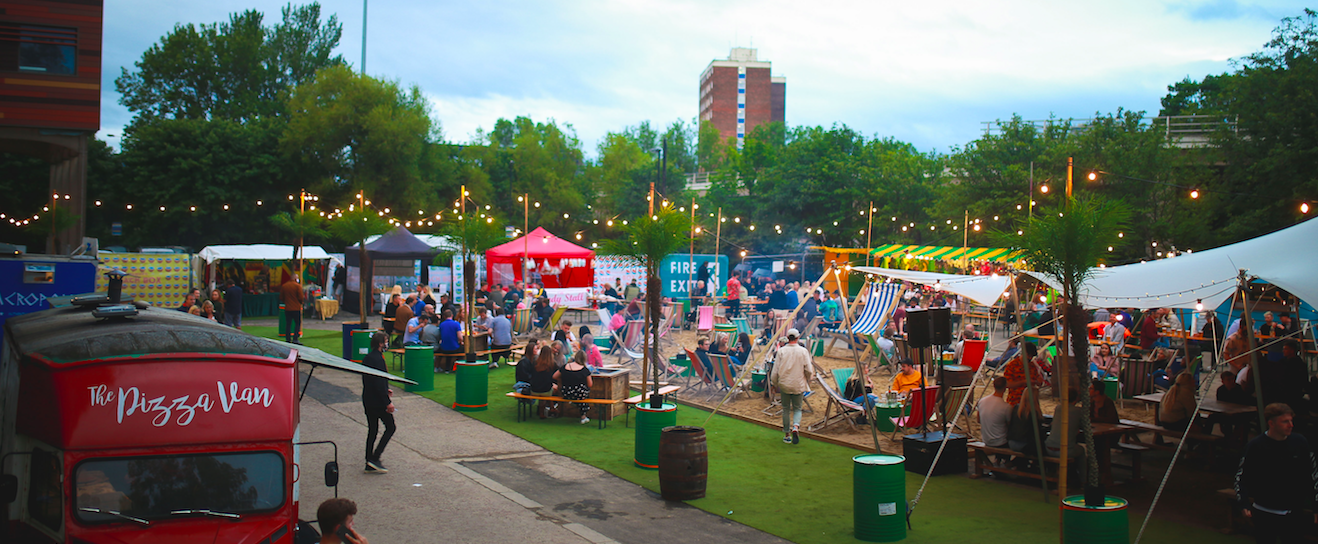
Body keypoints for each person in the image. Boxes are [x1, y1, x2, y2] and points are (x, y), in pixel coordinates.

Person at [1234, 403, 1318, 543]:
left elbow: (1312, 476)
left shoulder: (1300, 443)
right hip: (1264, 513)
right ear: (1271, 423)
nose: (1290, 425)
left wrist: (1316, 506)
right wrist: (1243, 503)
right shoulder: (1255, 446)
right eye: (1285, 421)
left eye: (1291, 421)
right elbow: (1241, 477)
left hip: (1293, 513)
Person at [361, 332, 395, 473]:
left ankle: (369, 459)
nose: (387, 343)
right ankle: (375, 457)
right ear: (381, 343)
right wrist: (387, 402)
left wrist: (386, 389)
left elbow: (372, 381)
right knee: (390, 427)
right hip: (377, 401)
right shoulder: (379, 360)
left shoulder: (368, 358)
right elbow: (379, 382)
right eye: (386, 341)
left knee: (373, 429)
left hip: (368, 398)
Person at [770, 329, 812, 444]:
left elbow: (775, 370)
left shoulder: (781, 351)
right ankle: (796, 427)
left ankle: (787, 434)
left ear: (787, 338)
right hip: (798, 383)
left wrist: (774, 383)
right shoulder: (803, 351)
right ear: (798, 338)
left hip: (785, 383)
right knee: (798, 408)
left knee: (786, 409)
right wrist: (808, 378)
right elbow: (809, 369)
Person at [555, 351, 595, 424]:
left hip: (566, 393)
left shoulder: (565, 366)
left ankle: (573, 403)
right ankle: (583, 416)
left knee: (581, 392)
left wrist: (562, 380)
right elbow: (590, 384)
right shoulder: (584, 370)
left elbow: (554, 376)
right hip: (579, 394)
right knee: (585, 392)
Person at [1045, 387, 1084, 460]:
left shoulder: (1058, 408)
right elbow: (1083, 425)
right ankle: (1083, 471)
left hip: (1048, 447)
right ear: (1076, 398)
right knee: (1081, 450)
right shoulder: (1078, 411)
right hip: (1065, 450)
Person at [1007, 385, 1043, 455]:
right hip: (1023, 443)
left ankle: (1016, 463)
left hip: (1011, 442)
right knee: (1039, 449)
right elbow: (1037, 433)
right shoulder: (1033, 413)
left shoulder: (1016, 408)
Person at [978, 377, 1012, 448]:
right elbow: (1010, 426)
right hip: (1000, 442)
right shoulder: (1006, 407)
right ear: (1005, 388)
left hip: (986, 440)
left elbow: (978, 420)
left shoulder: (982, 401)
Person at [530, 346, 560, 419]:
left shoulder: (535, 362)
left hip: (534, 389)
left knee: (544, 390)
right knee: (554, 389)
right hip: (546, 390)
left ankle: (544, 411)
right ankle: (552, 408)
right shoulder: (553, 364)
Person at [280, 274, 304, 344]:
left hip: (287, 308)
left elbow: (281, 297)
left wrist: (286, 301)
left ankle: (288, 339)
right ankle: (295, 338)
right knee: (297, 323)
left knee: (288, 324)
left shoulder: (284, 286)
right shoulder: (297, 286)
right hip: (296, 308)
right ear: (296, 279)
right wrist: (300, 302)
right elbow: (301, 297)